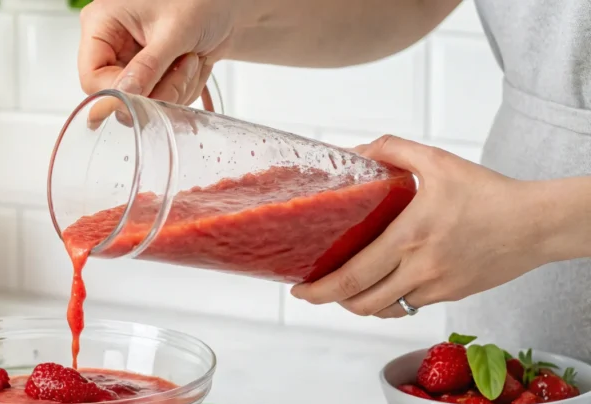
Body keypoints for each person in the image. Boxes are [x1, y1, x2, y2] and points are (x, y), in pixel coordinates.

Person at [76, 0, 591, 361]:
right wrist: (226, 9)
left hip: (513, 240)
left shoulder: (525, 228)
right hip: (523, 363)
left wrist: (536, 224)